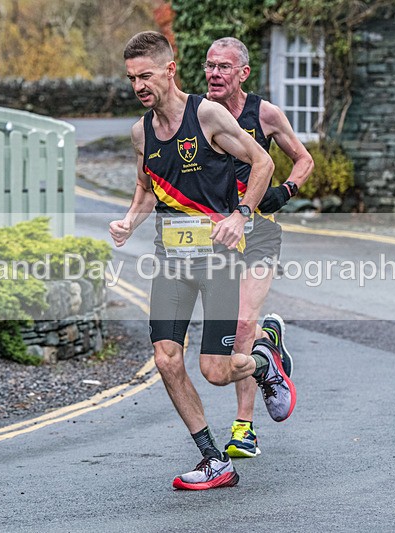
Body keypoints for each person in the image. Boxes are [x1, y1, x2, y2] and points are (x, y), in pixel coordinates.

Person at [109, 31, 296, 490]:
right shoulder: (141, 132)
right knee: (166, 358)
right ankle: (213, 459)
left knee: (215, 371)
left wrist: (242, 214)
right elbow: (146, 184)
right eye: (132, 78)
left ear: (170, 70)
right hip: (171, 259)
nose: (138, 86)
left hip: (217, 261)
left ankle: (264, 362)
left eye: (146, 75)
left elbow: (262, 163)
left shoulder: (207, 114)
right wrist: (130, 221)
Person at [204, 37, 314, 459]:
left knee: (244, 324)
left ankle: (244, 428)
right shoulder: (198, 113)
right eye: (210, 66)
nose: (214, 74)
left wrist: (285, 190)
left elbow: (304, 159)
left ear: (243, 73)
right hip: (214, 237)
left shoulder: (264, 114)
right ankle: (272, 343)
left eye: (224, 67)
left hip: (260, 233)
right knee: (232, 335)